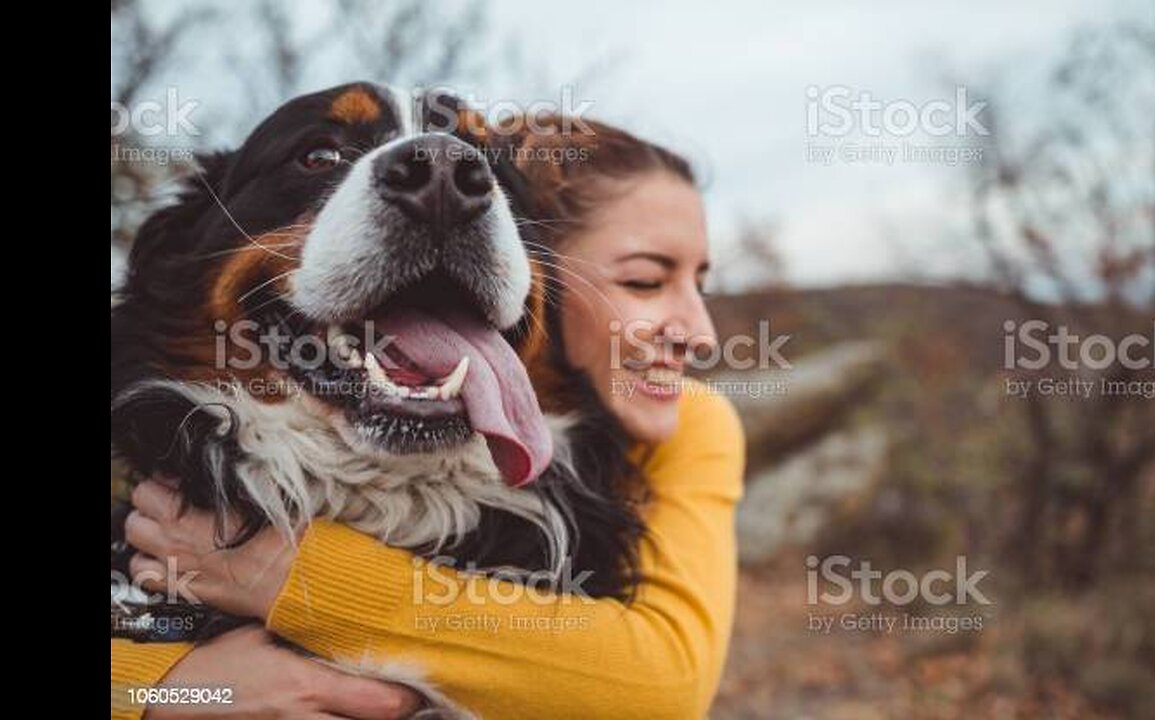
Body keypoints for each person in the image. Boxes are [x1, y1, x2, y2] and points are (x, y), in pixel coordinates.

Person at [112, 116, 745, 720]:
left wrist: (289, 577)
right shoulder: (161, 507)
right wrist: (163, 689)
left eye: (701, 284)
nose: (701, 333)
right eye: (642, 281)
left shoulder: (692, 424)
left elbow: (663, 687)